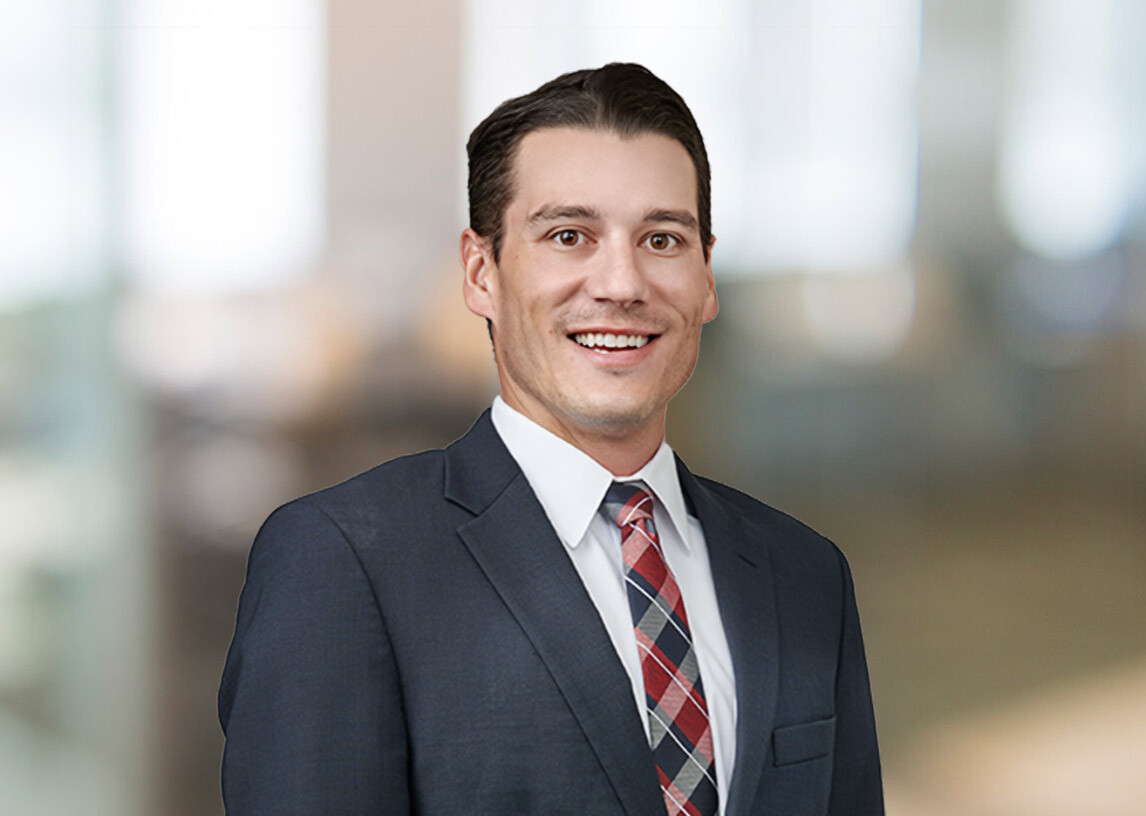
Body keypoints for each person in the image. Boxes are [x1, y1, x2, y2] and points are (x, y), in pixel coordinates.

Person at [218, 62, 883, 816]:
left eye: (662, 239)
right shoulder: (343, 563)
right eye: (569, 236)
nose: (622, 284)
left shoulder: (805, 576)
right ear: (481, 273)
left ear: (706, 278)